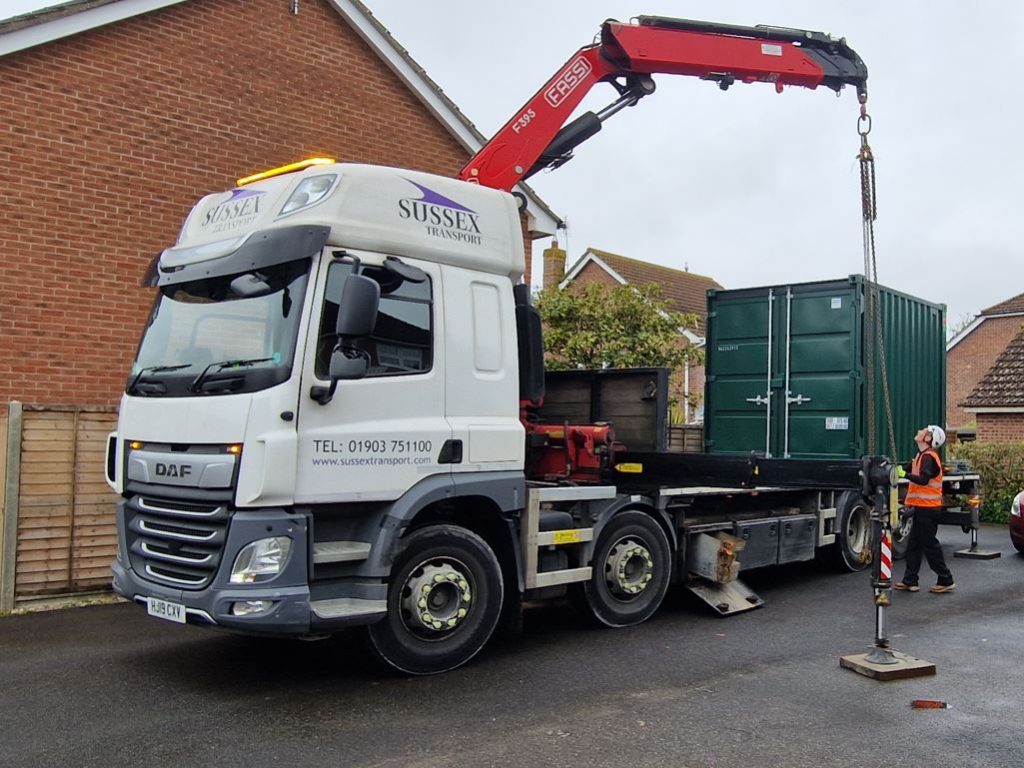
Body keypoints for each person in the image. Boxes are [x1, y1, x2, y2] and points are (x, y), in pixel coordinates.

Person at [894, 424, 956, 593]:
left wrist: (903, 474)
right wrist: (896, 469)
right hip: (922, 508)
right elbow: (906, 469)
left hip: (928, 509)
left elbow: (923, 479)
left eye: (925, 431)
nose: (920, 430)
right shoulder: (920, 456)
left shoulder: (929, 457)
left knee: (930, 545)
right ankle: (910, 580)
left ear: (928, 438)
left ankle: (945, 579)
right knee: (914, 545)